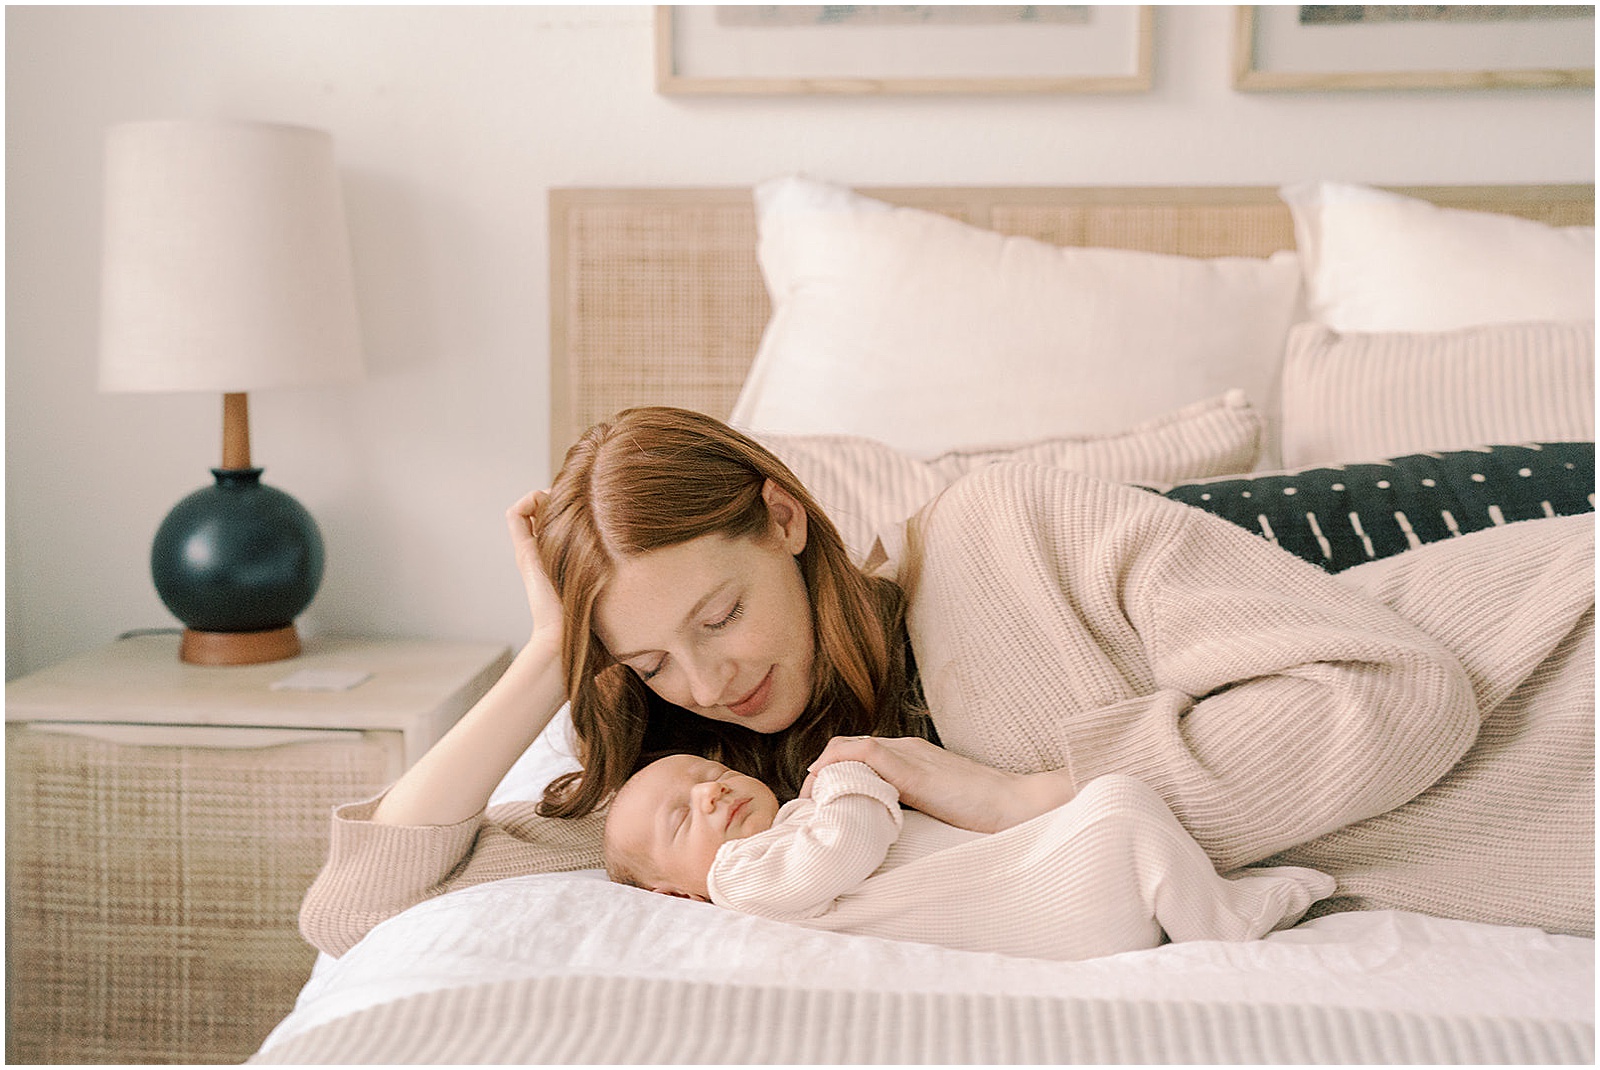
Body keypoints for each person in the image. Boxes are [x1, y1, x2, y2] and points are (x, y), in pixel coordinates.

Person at [300, 406, 1594, 958]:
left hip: (1552, 663)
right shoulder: (721, 792)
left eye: (719, 613)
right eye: (650, 658)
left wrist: (1027, 791)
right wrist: (548, 657)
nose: (711, 675)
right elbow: (360, 905)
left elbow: (1399, 693)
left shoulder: (1007, 526)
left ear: (785, 519)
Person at [601, 751, 1334, 962]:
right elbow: (848, 844)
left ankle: (1215, 902)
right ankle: (1225, 928)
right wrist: (855, 772)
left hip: (1038, 888)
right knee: (1120, 805)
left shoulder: (783, 829)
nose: (710, 794)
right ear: (673, 894)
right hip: (1049, 913)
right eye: (680, 816)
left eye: (711, 774)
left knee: (1121, 810)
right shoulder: (738, 881)